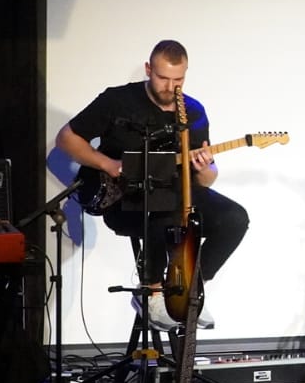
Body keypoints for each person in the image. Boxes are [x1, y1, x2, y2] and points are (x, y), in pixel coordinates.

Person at [55, 39, 249, 331]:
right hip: (124, 198)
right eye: (163, 78)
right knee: (163, 207)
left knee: (234, 218)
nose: (170, 87)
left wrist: (205, 168)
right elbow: (66, 138)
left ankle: (191, 291)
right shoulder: (117, 101)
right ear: (148, 69)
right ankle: (153, 292)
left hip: (175, 192)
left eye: (178, 80)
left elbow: (205, 180)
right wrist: (108, 164)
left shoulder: (193, 112)